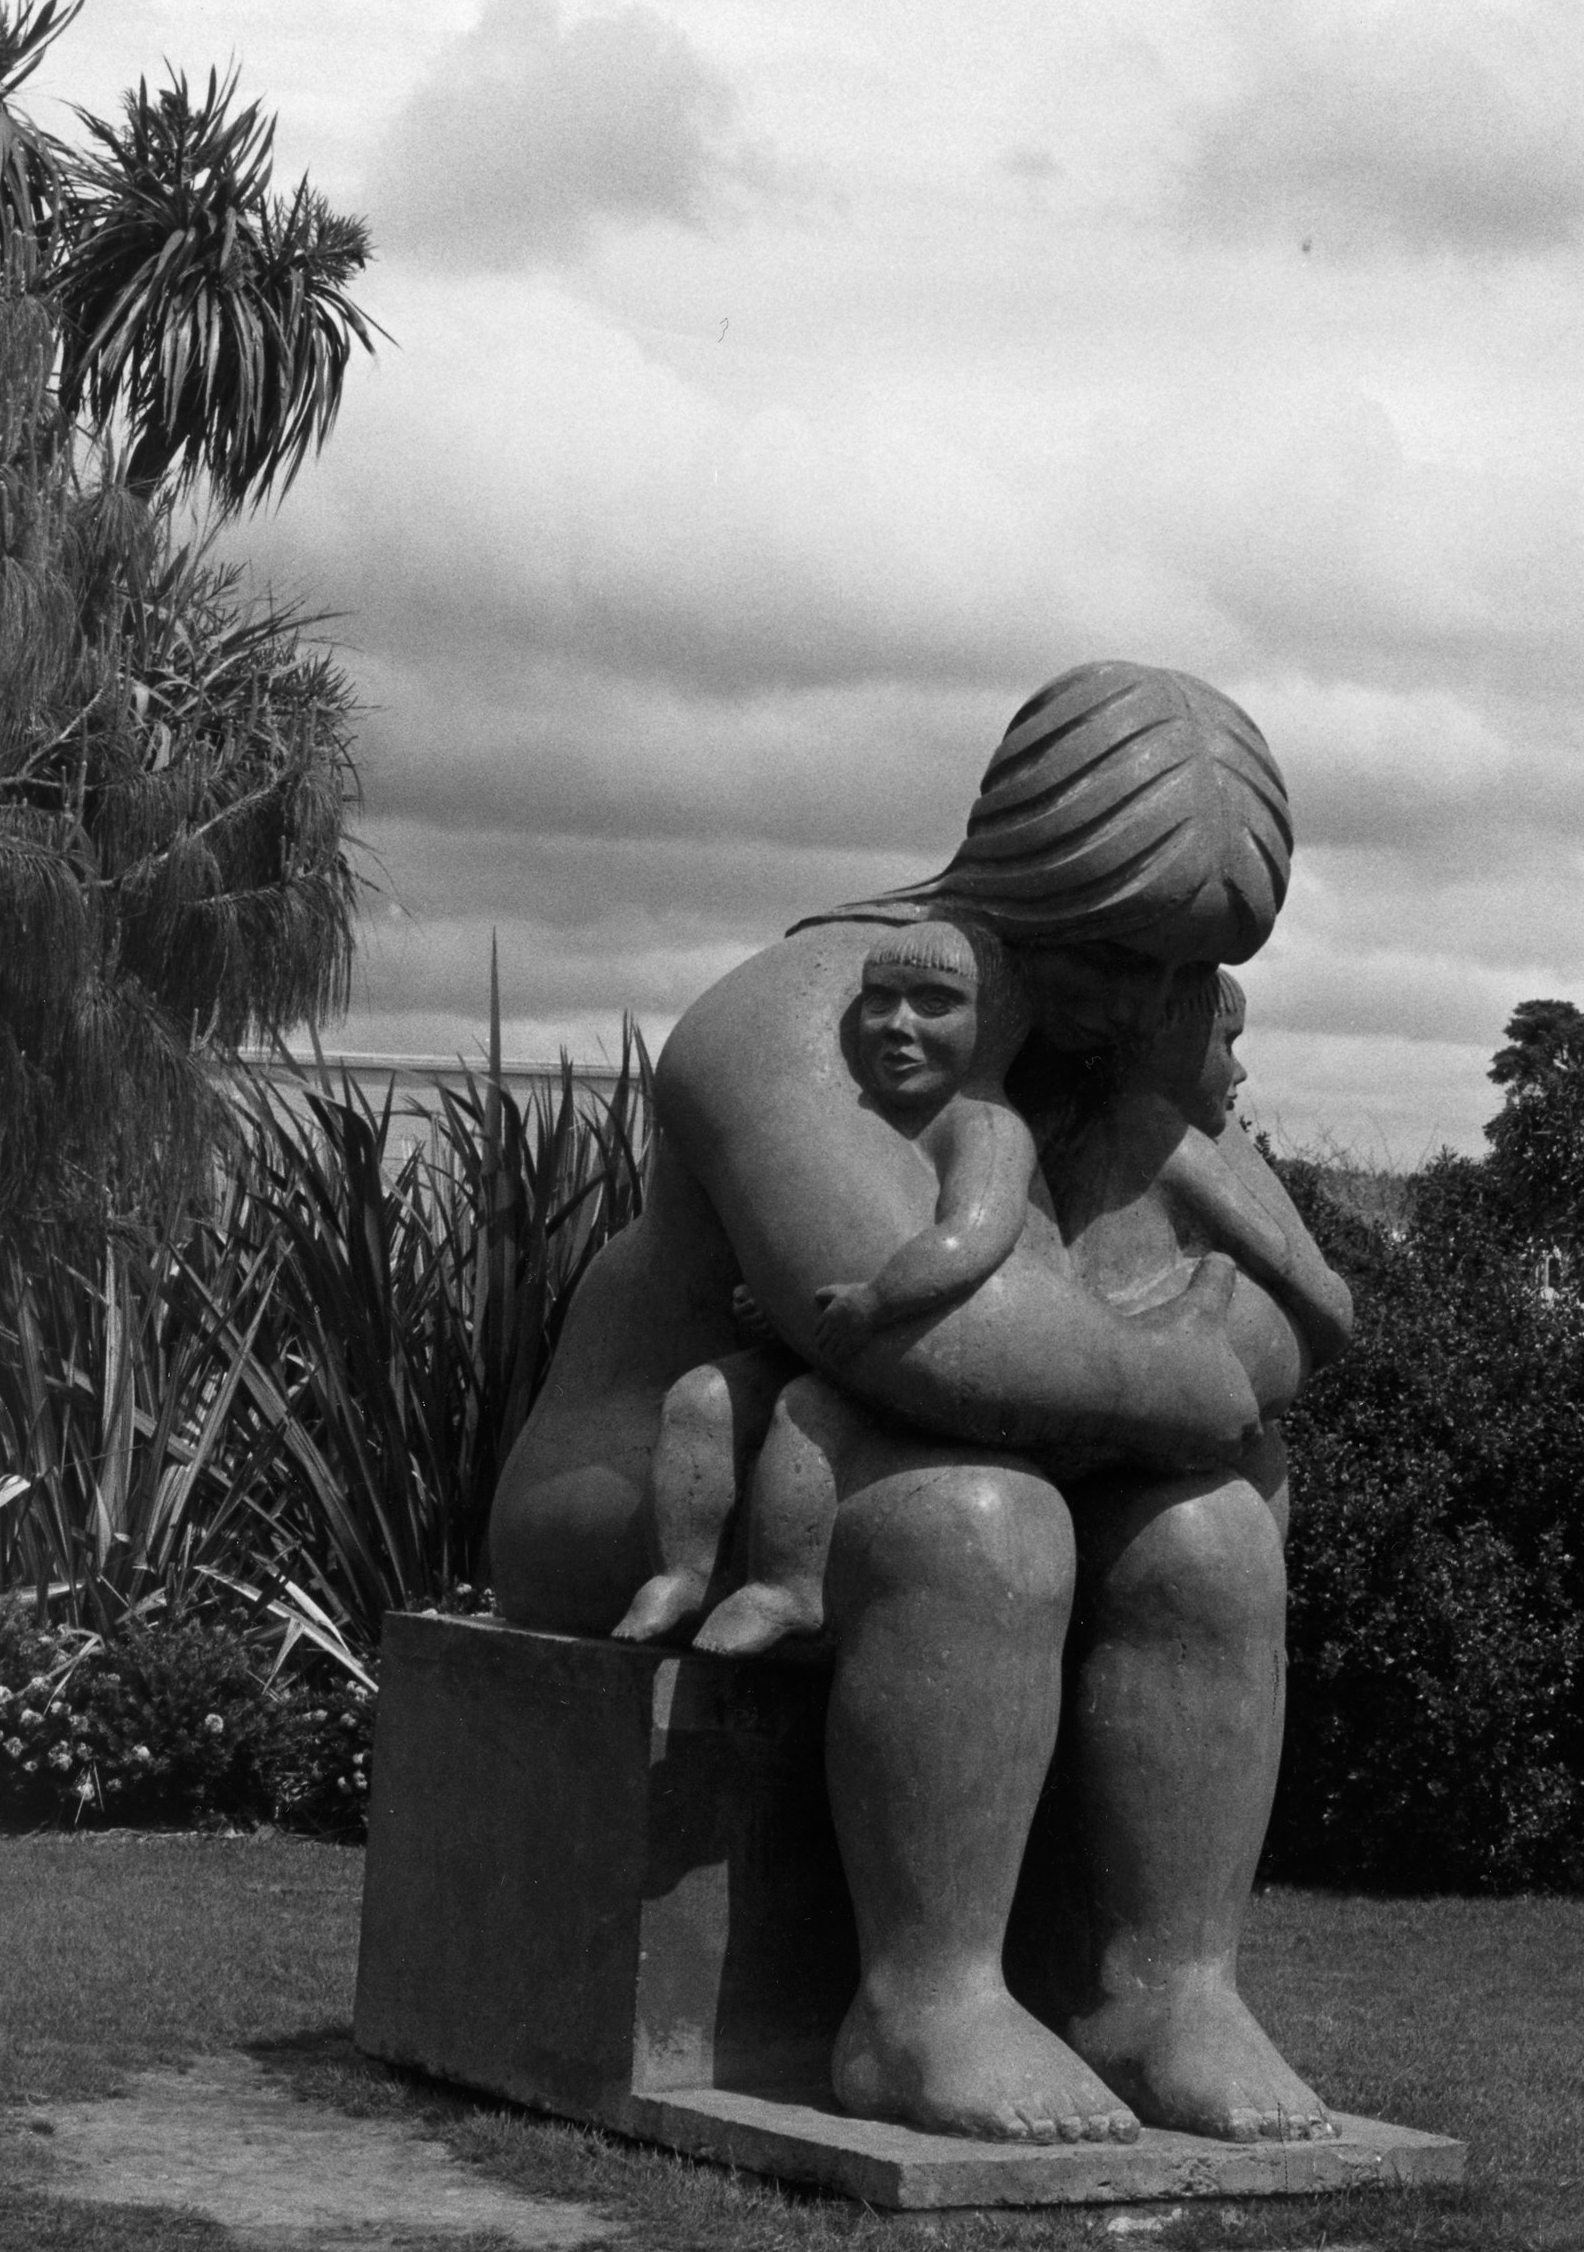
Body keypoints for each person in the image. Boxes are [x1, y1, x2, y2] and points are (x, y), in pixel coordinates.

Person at [490, 660, 1352, 2148]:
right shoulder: (804, 1015)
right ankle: (923, 2005)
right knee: (975, 1512)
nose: (1154, 1008)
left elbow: (1278, 1304)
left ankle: (1168, 1991)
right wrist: (1176, 1374)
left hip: (909, 1448)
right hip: (658, 1478)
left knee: (1209, 1535)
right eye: (1120, 958)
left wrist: (1145, 1380)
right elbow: (926, 1344)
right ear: (1031, 879)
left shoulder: (1128, 1019)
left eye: (1187, 971)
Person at [611, 916, 1045, 1655]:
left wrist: (877, 1299)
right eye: (880, 1000)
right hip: (846, 1337)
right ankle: (682, 1575)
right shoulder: (860, 1119)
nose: (898, 1026)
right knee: (702, 1397)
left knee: (805, 1412)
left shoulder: (987, 1128)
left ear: (994, 1027)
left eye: (935, 1004)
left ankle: (786, 1587)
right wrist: (776, 1307)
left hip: (933, 1348)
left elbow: (972, 1239)